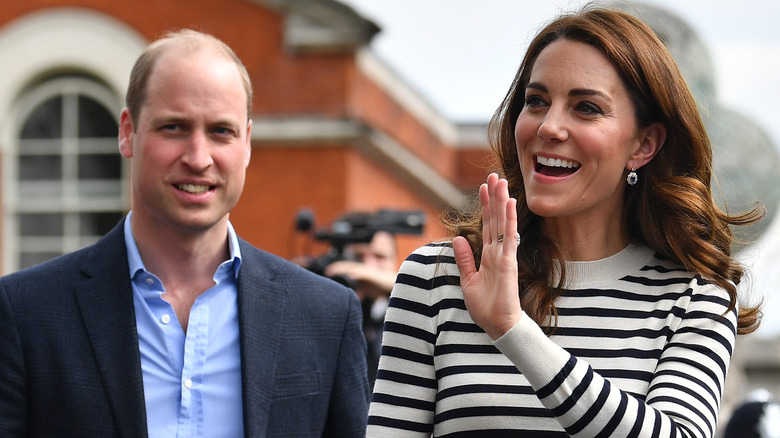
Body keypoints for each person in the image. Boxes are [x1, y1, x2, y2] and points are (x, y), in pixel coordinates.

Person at [367, 6, 762, 437]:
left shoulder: (693, 299)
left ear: (644, 145)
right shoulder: (438, 277)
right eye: (536, 101)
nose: (550, 126)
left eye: (586, 108)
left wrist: (514, 332)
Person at [0, 29, 369, 437]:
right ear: (128, 132)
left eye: (220, 132)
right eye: (174, 128)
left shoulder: (326, 316)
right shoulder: (26, 312)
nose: (198, 158)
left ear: (246, 142)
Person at [325, 230, 398, 387]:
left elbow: (410, 283)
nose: (368, 265)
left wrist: (363, 273)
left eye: (380, 257)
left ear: (395, 261)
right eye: (359, 257)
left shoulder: (403, 304)